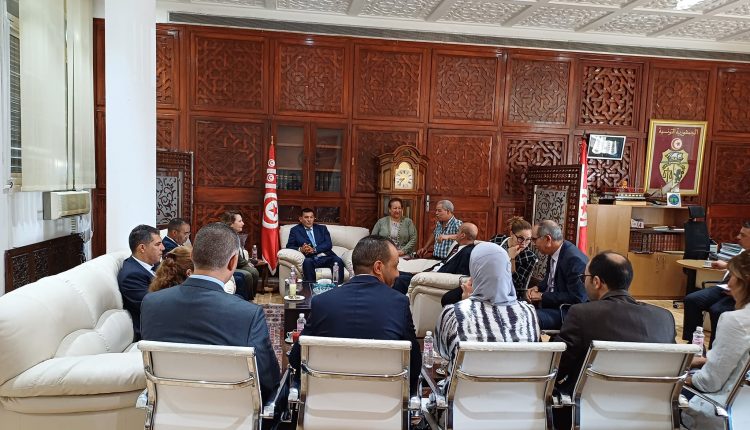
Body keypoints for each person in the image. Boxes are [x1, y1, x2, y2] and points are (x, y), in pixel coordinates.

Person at [141, 222, 281, 403]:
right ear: (233, 262)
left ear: (192, 256)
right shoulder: (248, 314)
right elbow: (268, 380)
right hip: (230, 410)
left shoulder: (151, 303)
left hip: (169, 408)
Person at [288, 235, 421, 393]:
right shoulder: (399, 304)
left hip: (328, 400)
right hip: (383, 401)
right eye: (395, 266)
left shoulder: (322, 302)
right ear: (378, 267)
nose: (398, 274)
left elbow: (296, 358)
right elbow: (414, 365)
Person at [554, 251, 676, 394]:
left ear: (596, 282)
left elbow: (557, 368)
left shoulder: (582, 314)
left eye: (584, 278)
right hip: (650, 401)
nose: (583, 282)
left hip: (588, 402)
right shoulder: (664, 318)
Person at [435, 242, 540, 362]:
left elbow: (443, 354)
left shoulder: (453, 313)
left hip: (469, 374)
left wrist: (465, 304)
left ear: (474, 270)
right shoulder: (529, 312)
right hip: (518, 373)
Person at [682, 252, 750, 430]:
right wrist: (706, 361)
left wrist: (681, 377)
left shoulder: (736, 321)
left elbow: (709, 383)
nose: (729, 283)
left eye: (732, 276)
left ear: (744, 281)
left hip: (724, 412)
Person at [683, 220, 749, 348]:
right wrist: (726, 265)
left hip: (742, 292)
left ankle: (715, 348)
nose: (738, 237)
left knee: (717, 310)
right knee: (692, 299)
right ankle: (694, 345)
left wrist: (739, 289)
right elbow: (739, 268)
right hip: (725, 286)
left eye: (743, 235)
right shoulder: (743, 251)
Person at [526, 220, 588, 330]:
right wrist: (537, 288)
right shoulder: (554, 251)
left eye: (534, 239)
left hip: (566, 311)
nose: (533, 244)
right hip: (552, 305)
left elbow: (578, 297)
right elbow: (550, 280)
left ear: (548, 239)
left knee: (528, 318)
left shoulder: (574, 260)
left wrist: (542, 296)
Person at [392, 222, 478, 296]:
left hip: (435, 278)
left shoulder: (467, 253)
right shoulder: (458, 246)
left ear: (462, 235)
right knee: (396, 273)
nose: (456, 234)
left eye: (458, 231)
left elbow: (461, 276)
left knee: (399, 280)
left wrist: (428, 275)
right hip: (432, 272)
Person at [118, 224, 164, 341]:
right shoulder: (131, 276)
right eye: (158, 244)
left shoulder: (155, 264)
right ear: (142, 248)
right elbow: (153, 307)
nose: (163, 248)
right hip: (155, 332)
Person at [286, 208, 345, 283]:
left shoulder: (322, 228)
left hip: (326, 256)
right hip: (311, 258)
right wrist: (301, 249)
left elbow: (328, 244)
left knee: (338, 260)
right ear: (300, 219)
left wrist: (314, 249)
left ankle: (338, 287)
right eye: (306, 217)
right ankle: (310, 287)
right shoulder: (295, 230)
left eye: (311, 217)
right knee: (307, 262)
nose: (309, 220)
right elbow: (289, 246)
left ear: (314, 218)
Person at [488, 216, 538, 298]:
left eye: (528, 239)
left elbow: (516, 285)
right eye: (520, 238)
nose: (524, 243)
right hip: (488, 284)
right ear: (511, 234)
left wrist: (512, 258)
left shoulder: (529, 257)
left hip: (509, 294)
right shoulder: (497, 240)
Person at [221, 211, 259, 300]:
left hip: (236, 264)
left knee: (254, 272)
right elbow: (233, 256)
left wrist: (248, 262)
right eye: (240, 221)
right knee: (249, 274)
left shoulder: (235, 235)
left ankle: (251, 298)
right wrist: (246, 263)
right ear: (231, 224)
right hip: (227, 266)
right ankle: (247, 300)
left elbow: (239, 253)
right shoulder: (227, 236)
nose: (243, 223)